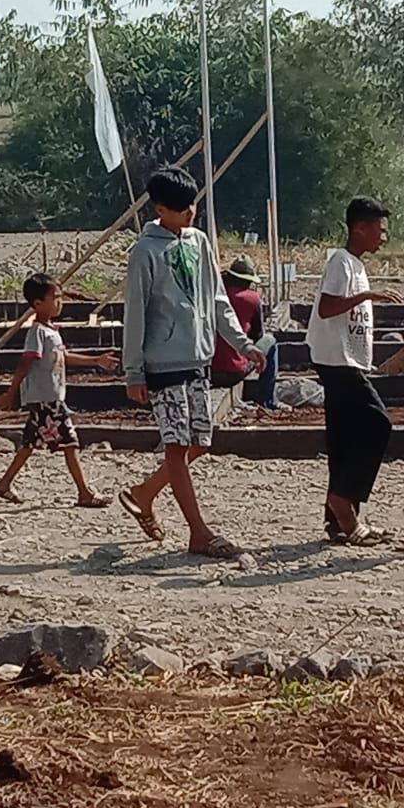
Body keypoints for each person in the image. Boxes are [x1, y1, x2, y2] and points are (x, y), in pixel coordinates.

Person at [118, 167, 263, 559]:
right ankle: (199, 532)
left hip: (199, 359)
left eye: (192, 204)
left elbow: (218, 301)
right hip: (162, 365)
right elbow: (135, 314)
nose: (191, 212)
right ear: (161, 209)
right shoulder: (144, 252)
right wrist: (134, 371)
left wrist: (244, 344)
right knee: (177, 445)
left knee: (200, 441)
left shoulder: (200, 242)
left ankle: (144, 493)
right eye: (182, 207)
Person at [306, 196, 404, 544]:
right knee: (378, 423)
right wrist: (366, 297)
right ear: (359, 228)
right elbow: (327, 308)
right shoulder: (341, 263)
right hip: (337, 360)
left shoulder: (356, 265)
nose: (383, 237)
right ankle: (343, 498)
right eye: (380, 229)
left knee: (344, 437)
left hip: (346, 359)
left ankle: (340, 519)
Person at [0, 272, 118, 506]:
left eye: (60, 297)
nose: (60, 302)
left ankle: (4, 484)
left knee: (29, 444)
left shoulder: (51, 331)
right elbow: (25, 363)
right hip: (47, 398)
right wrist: (11, 393)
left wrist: (96, 360)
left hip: (48, 397)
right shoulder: (37, 333)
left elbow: (64, 356)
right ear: (38, 303)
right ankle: (84, 493)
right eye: (55, 297)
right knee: (70, 442)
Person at [210, 256, 280, 409]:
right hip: (235, 370)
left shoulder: (213, 296)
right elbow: (257, 335)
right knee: (270, 341)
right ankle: (268, 401)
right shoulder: (252, 298)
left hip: (209, 372)